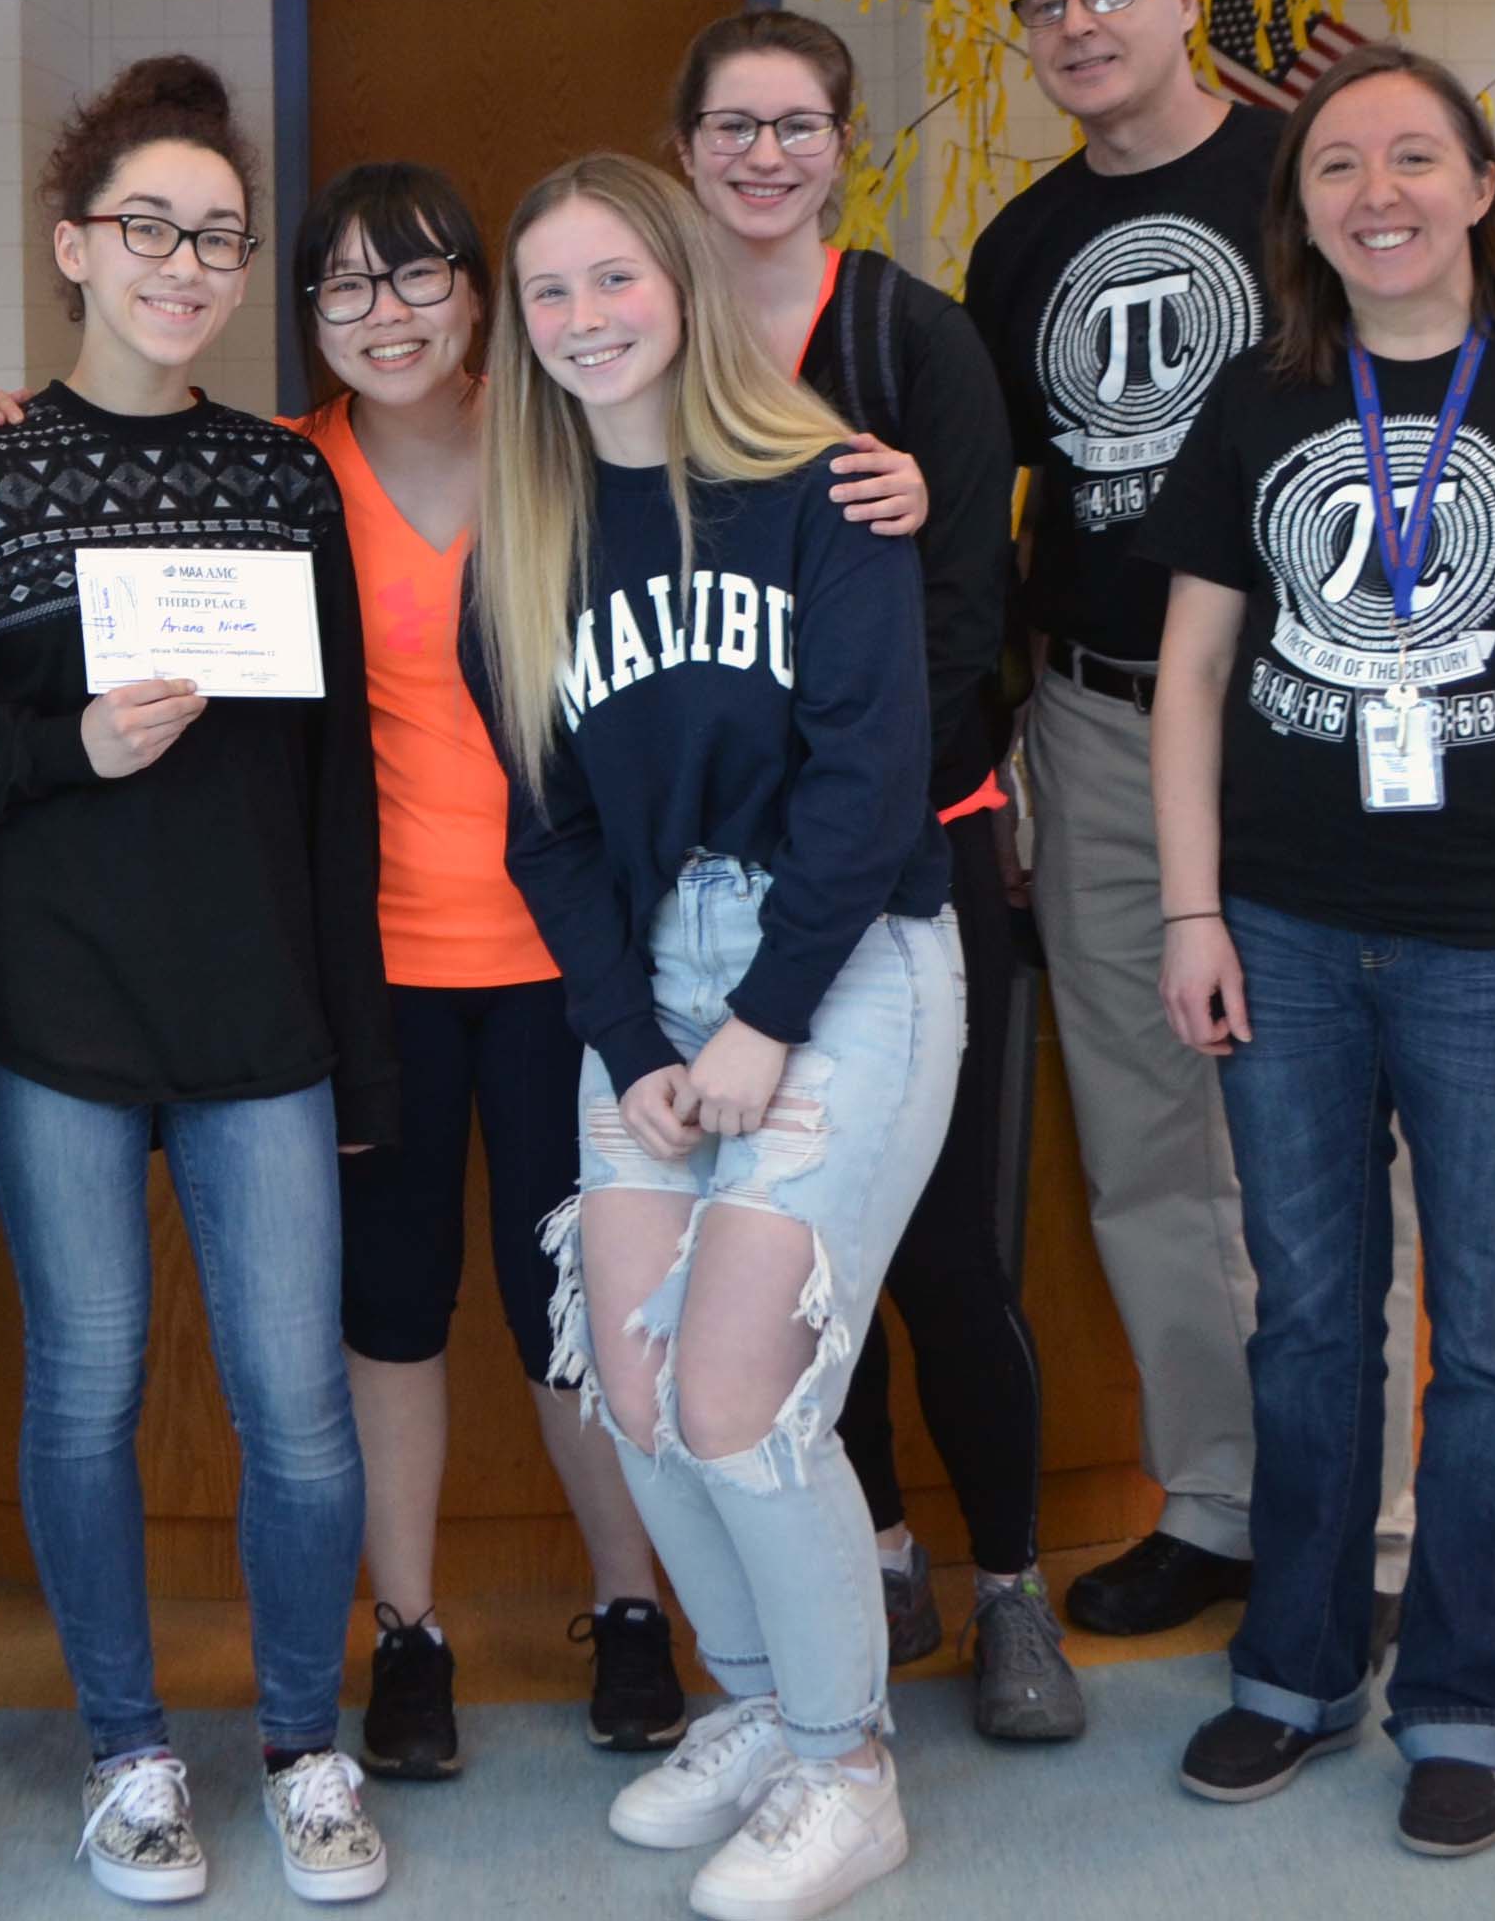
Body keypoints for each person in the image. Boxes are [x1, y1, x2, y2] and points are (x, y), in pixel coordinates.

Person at [1141, 45, 1495, 1859]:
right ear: (1301, 207)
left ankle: (1469, 1696)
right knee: (1309, 1320)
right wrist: (1191, 907)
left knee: (1492, 1340)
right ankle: (1298, 1669)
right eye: (1338, 166)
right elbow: (1190, 679)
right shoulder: (1257, 402)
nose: (1376, 191)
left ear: (1481, 184)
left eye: (1414, 157)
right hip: (1292, 938)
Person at [0, 56, 397, 1905]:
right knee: (87, 1384)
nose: (184, 263)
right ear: (72, 246)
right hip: (55, 1013)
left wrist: (360, 1039)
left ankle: (301, 1737)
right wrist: (61, 745)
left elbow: (341, 778)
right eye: (148, 229)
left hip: (259, 1003)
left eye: (217, 237)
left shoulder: (287, 475)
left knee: (297, 1402)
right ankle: (128, 1748)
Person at [464, 152, 954, 1921]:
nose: (586, 319)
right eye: (550, 293)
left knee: (742, 1391)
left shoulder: (827, 486)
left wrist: (760, 1021)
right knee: (638, 1379)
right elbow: (550, 829)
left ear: (681, 282)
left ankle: (848, 1767)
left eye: (615, 279)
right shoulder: (522, 544)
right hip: (648, 977)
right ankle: (757, 1707)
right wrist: (628, 1034)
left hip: (845, 951)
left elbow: (871, 779)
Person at [961, 0, 1412, 1643]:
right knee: (1145, 1143)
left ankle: (1361, 1529)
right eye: (1048, 2)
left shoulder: (1307, 180)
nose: (1080, 22)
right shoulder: (1017, 246)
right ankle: (1217, 1500)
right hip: (1091, 717)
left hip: (1297, 719)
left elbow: (1468, 353)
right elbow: (999, 499)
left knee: (1320, 1141)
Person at [666, 11, 1082, 1747]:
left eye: (798, 125)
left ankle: (1008, 1590)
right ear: (683, 144)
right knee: (790, 1253)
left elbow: (970, 628)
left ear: (843, 145)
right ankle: (883, 1549)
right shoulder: (651, 342)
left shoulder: (915, 339)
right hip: (727, 887)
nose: (765, 154)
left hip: (916, 859)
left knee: (946, 1264)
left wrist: (842, 839)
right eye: (733, 125)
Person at [277, 166, 689, 1780]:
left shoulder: (570, 447)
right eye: (344, 288)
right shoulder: (284, 475)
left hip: (568, 966)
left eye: (419, 277)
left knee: (568, 1300)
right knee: (392, 1309)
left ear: (479, 294)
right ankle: (412, 1632)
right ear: (306, 316)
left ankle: (632, 1605)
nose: (385, 314)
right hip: (371, 974)